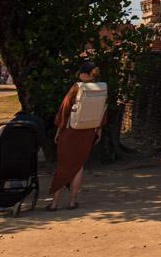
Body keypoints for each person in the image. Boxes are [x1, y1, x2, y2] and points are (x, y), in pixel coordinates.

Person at [46, 60, 109, 210]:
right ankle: (72, 201)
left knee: (63, 165)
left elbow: (64, 109)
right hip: (89, 130)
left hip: (71, 130)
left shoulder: (77, 87)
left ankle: (54, 203)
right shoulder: (102, 88)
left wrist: (59, 130)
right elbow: (103, 110)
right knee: (78, 166)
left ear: (83, 74)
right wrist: (98, 129)